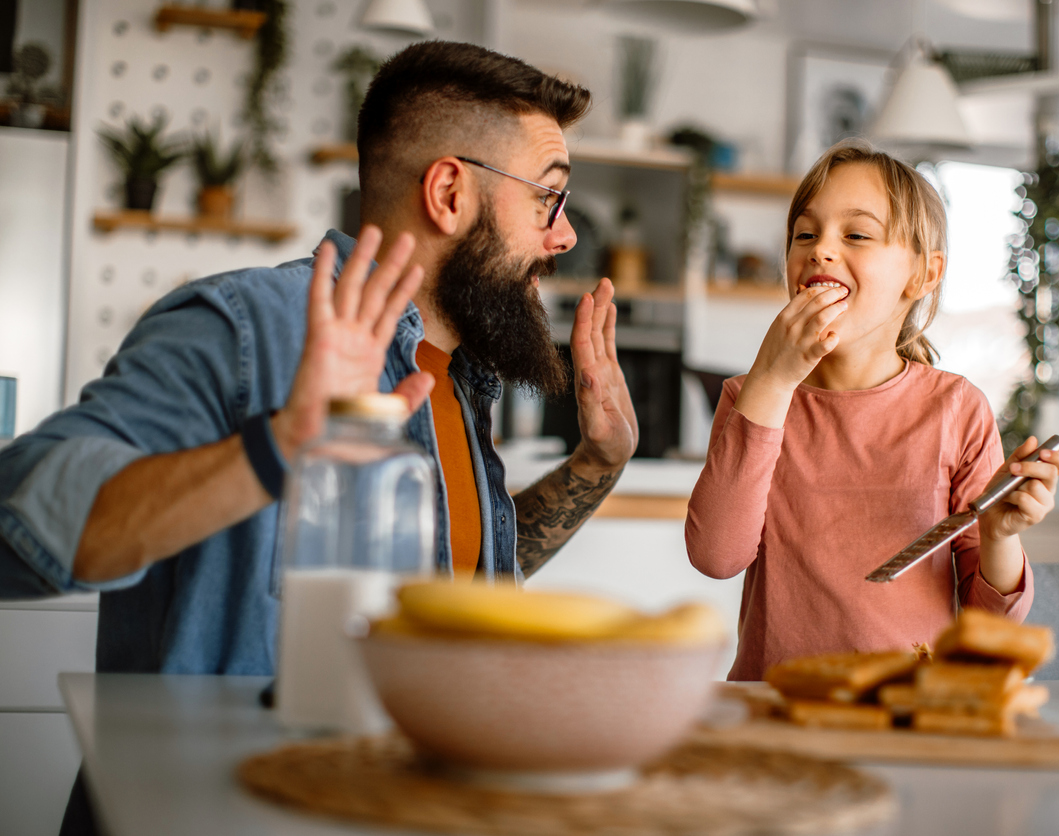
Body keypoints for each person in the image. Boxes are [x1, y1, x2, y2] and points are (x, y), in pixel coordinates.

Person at [0, 40, 639, 832]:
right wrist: (276, 446)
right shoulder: (246, 329)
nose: (565, 235)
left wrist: (596, 466)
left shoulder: (458, 380)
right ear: (448, 192)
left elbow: (443, 595)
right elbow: (19, 522)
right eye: (549, 198)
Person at [684, 139, 1059, 681]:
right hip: (774, 706)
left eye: (857, 234)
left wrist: (1001, 535)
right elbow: (715, 556)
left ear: (923, 275)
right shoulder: (751, 399)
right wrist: (771, 380)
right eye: (804, 234)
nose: (820, 249)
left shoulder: (957, 410)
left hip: (907, 706)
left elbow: (993, 616)